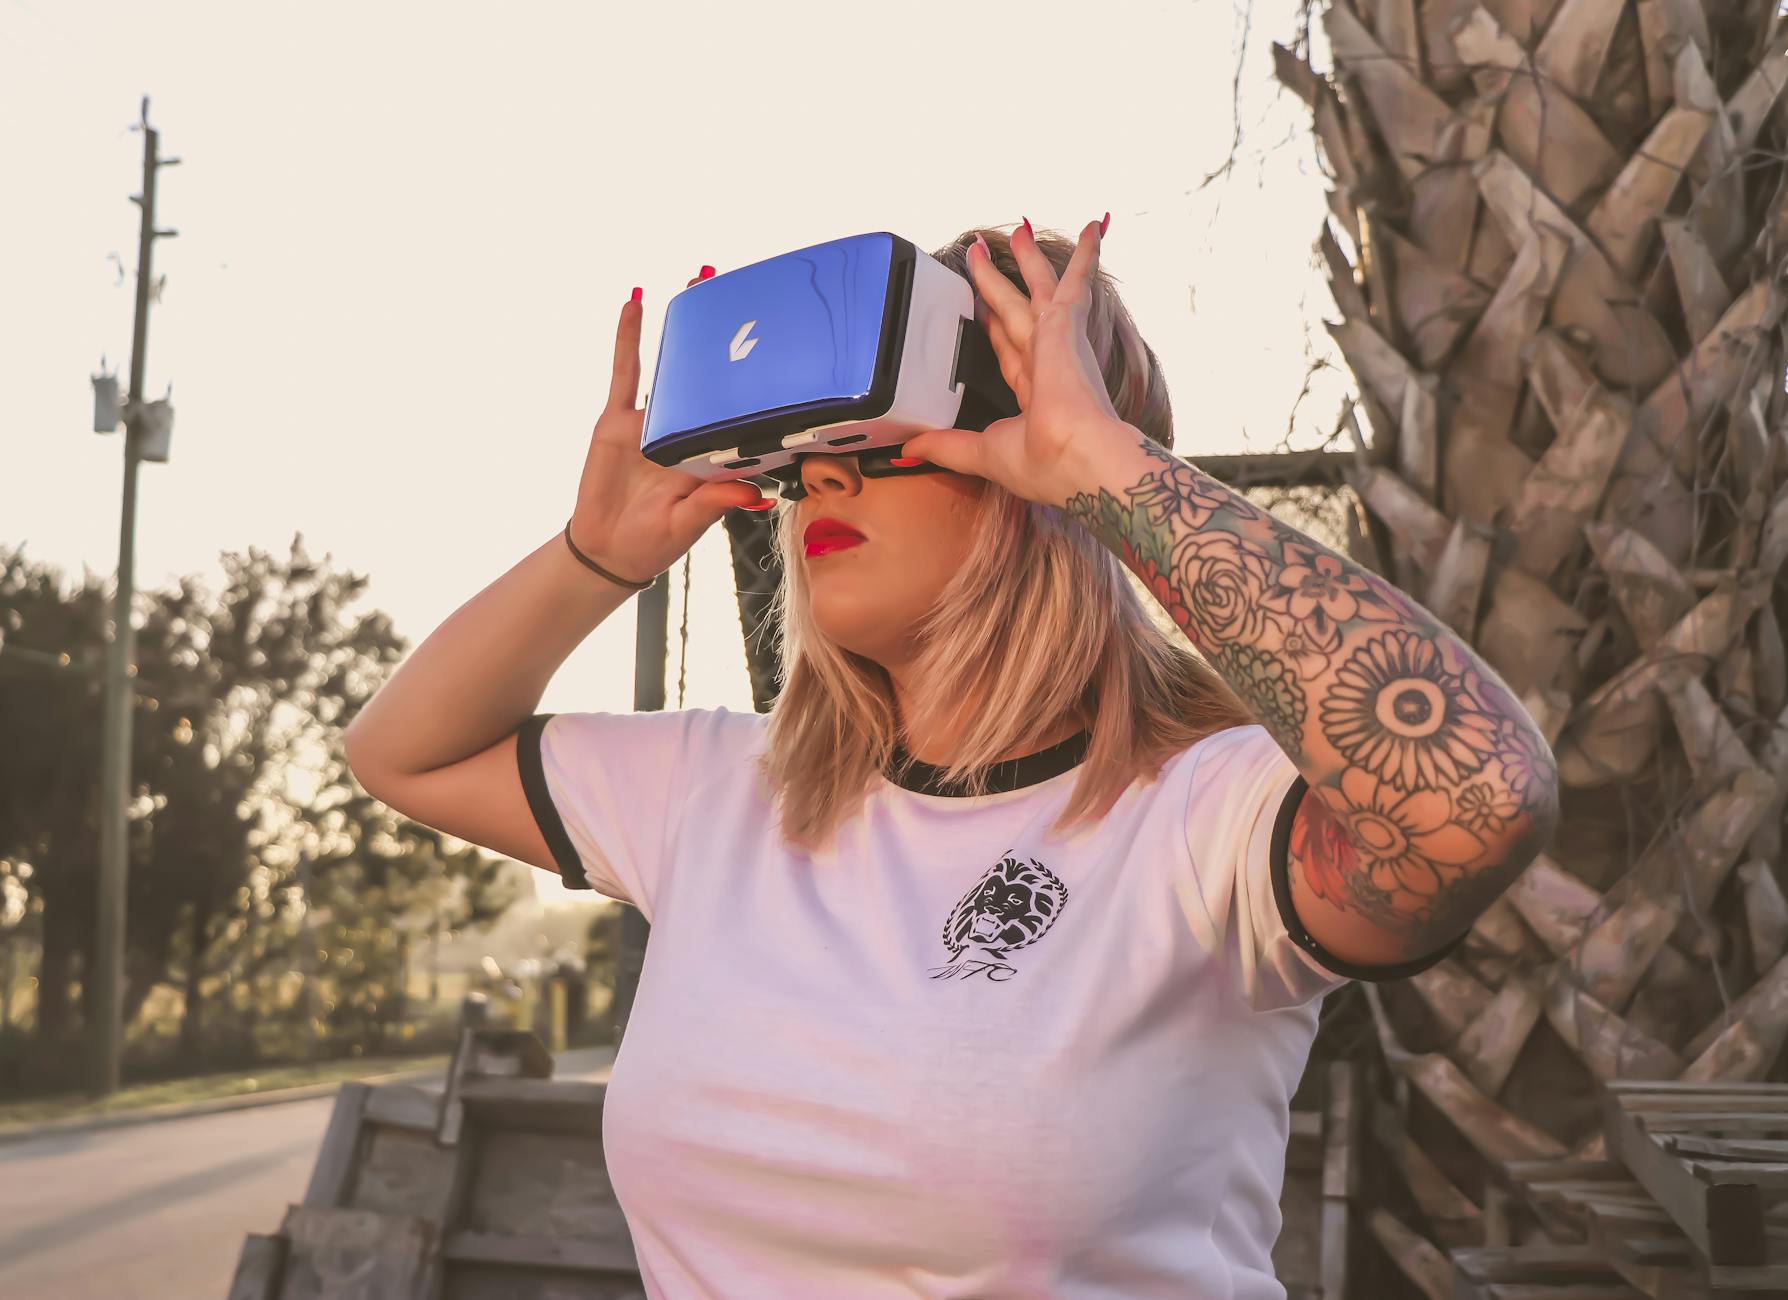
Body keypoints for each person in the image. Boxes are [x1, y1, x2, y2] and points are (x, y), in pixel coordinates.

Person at [342, 216, 1558, 1299]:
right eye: (811, 444)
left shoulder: (1207, 819)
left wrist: (1108, 475)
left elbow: (1479, 794)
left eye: (885, 437)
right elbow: (405, 752)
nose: (823, 468)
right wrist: (593, 556)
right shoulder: (720, 792)